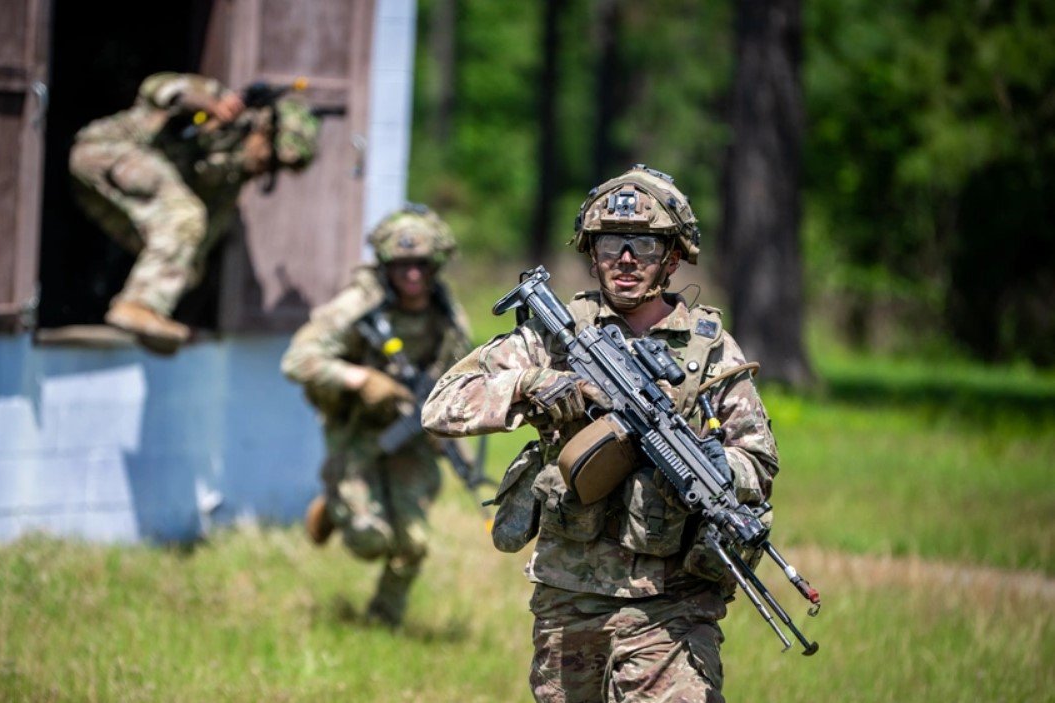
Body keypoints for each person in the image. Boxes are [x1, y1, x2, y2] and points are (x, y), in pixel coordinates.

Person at [421, 165, 780, 702]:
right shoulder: (553, 337)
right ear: (592, 253)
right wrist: (533, 384)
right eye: (612, 243)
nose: (626, 258)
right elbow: (441, 405)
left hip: (672, 603)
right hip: (569, 598)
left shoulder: (709, 350)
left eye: (644, 244)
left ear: (673, 258)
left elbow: (759, 462)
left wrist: (715, 465)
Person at [281, 205, 473, 627]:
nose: (413, 274)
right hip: (357, 427)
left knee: (414, 543)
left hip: (412, 433)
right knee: (370, 539)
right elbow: (296, 359)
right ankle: (336, 506)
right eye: (401, 264)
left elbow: (460, 376)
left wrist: (450, 430)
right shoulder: (358, 305)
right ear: (385, 264)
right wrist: (359, 378)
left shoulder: (447, 314)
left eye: (422, 264)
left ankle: (382, 621)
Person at [70, 72, 320, 353]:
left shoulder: (231, 178)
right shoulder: (219, 99)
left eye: (274, 168)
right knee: (184, 216)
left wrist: (191, 267)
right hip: (108, 151)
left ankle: (145, 323)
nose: (264, 167)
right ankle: (138, 306)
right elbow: (156, 87)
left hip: (101, 194)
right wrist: (209, 105)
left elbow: (199, 239)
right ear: (264, 130)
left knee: (188, 261)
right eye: (268, 157)